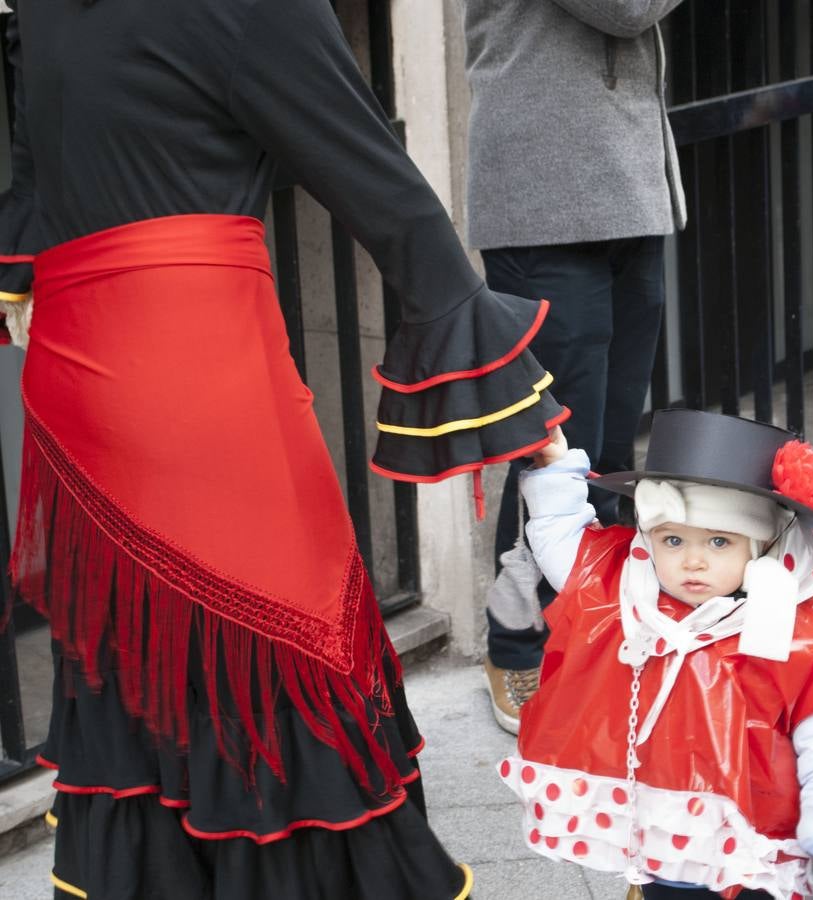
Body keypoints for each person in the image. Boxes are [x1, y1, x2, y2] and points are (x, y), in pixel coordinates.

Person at [0, 1, 567, 897]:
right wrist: (495, 370)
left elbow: (32, 156)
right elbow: (373, 176)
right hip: (196, 365)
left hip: (76, 369)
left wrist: (18, 271)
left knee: (147, 649)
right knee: (286, 640)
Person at [497, 409, 813, 899]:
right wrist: (554, 467)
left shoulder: (803, 624)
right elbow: (562, 537)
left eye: (719, 541)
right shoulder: (625, 585)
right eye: (673, 539)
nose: (692, 561)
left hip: (758, 824)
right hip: (661, 819)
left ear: (761, 544)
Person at [461, 0, 688, 735]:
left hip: (626, 185)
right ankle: (517, 642)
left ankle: (598, 635)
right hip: (545, 194)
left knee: (613, 445)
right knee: (553, 442)